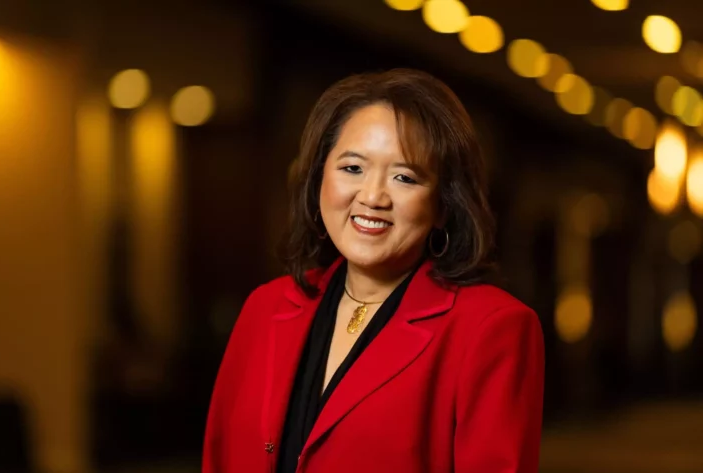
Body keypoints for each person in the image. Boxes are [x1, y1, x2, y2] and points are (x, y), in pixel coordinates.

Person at [202, 68, 544, 473]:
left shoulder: (492, 328)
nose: (372, 196)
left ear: (443, 205)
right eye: (352, 168)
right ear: (318, 181)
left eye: (404, 177)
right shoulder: (265, 308)